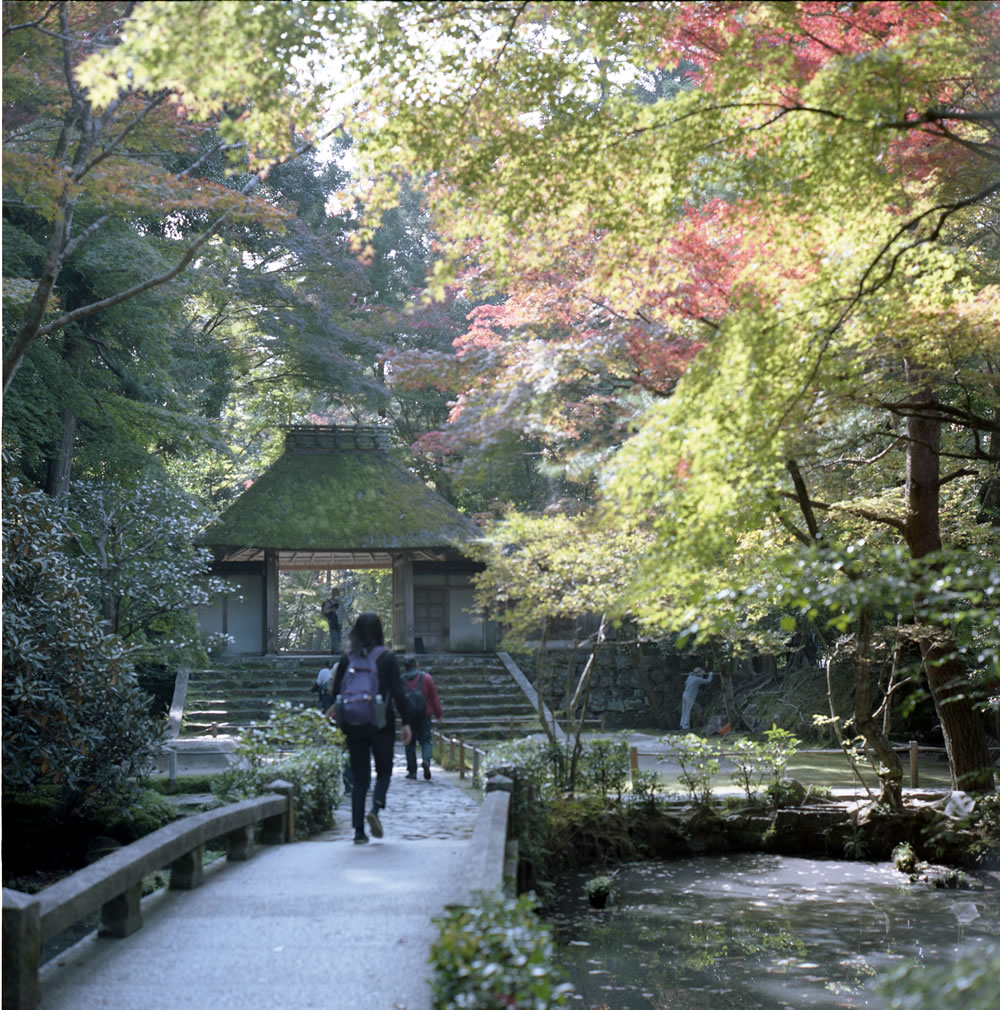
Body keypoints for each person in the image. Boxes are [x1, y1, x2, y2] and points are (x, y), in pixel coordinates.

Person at [329, 611, 412, 844]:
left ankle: (358, 832)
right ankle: (375, 809)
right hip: (381, 722)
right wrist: (406, 723)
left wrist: (341, 727)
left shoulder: (347, 659)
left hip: (354, 725)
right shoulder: (386, 657)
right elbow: (398, 692)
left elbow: (337, 694)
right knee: (384, 772)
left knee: (359, 778)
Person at [402, 656, 443, 781]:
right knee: (426, 740)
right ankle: (426, 761)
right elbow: (434, 697)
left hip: (408, 716)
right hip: (425, 714)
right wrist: (438, 714)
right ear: (417, 665)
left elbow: (398, 699)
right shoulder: (426, 678)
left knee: (409, 743)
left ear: (405, 667)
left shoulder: (401, 680)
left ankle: (412, 771)